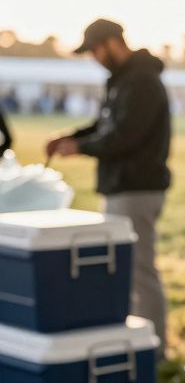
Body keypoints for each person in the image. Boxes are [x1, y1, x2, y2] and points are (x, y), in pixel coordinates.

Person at [46, 19, 171, 347]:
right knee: (127, 269)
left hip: (137, 186)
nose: (94, 58)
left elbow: (125, 135)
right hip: (121, 185)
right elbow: (104, 124)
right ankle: (134, 337)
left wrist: (80, 147)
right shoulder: (122, 80)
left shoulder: (141, 80)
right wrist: (71, 136)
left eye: (96, 50)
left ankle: (154, 346)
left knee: (140, 269)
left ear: (113, 43)